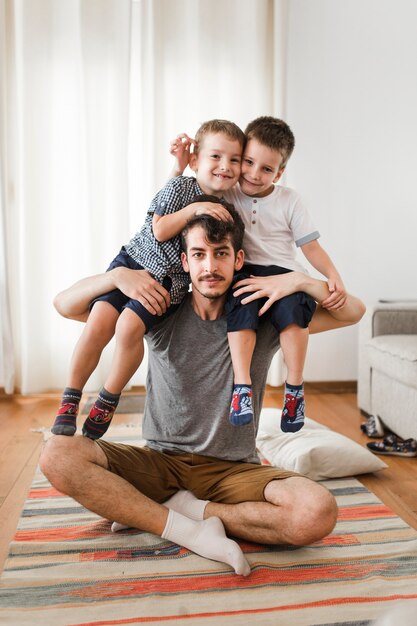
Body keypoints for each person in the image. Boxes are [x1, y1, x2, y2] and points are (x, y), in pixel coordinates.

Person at [41, 208, 365, 576]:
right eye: (199, 254)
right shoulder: (159, 311)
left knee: (316, 512)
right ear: (185, 261)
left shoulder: (264, 317)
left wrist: (300, 282)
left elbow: (352, 312)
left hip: (233, 471)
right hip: (160, 463)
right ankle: (186, 529)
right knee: (57, 453)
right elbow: (64, 305)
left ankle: (184, 511)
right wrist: (117, 275)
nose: (209, 266)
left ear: (238, 258)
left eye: (221, 253)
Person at [51, 119, 244, 440]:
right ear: (195, 161)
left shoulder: (227, 208)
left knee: (128, 326)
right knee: (99, 321)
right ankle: (70, 398)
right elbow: (159, 229)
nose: (225, 166)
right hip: (133, 260)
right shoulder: (179, 186)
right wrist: (195, 207)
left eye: (234, 160)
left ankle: (108, 397)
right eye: (216, 157)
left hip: (168, 281)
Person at [170, 116, 352, 433]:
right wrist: (182, 164)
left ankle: (294, 387)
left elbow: (310, 246)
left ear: (279, 172)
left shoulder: (289, 200)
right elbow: (194, 187)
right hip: (246, 273)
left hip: (286, 274)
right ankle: (243, 386)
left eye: (266, 169)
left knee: (294, 315)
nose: (254, 174)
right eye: (249, 163)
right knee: (240, 310)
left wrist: (332, 274)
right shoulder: (229, 194)